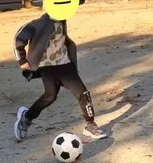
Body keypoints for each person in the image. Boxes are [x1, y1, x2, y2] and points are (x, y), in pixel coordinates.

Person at [13, 10, 107, 142]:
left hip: (65, 65)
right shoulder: (39, 23)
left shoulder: (63, 18)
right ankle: (27, 117)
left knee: (83, 93)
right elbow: (19, 38)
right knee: (50, 96)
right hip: (47, 67)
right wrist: (22, 60)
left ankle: (90, 125)